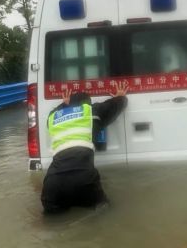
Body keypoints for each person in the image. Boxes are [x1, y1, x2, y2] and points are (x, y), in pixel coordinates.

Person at [41, 82, 128, 214]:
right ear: (88, 104)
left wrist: (64, 104)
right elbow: (116, 105)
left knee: (53, 221)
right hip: (84, 179)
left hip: (52, 185)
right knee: (104, 211)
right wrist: (120, 96)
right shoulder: (91, 112)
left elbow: (54, 113)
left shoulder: (53, 119)